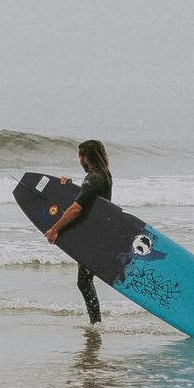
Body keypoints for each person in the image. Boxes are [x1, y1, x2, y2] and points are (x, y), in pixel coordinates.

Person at [42, 139, 113, 326]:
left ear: (85, 157)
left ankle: (96, 323)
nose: (79, 161)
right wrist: (66, 188)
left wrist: (55, 229)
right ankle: (95, 322)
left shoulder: (93, 177)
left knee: (84, 281)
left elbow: (76, 208)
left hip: (93, 237)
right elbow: (89, 198)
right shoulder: (103, 175)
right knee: (85, 280)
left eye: (80, 156)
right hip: (98, 234)